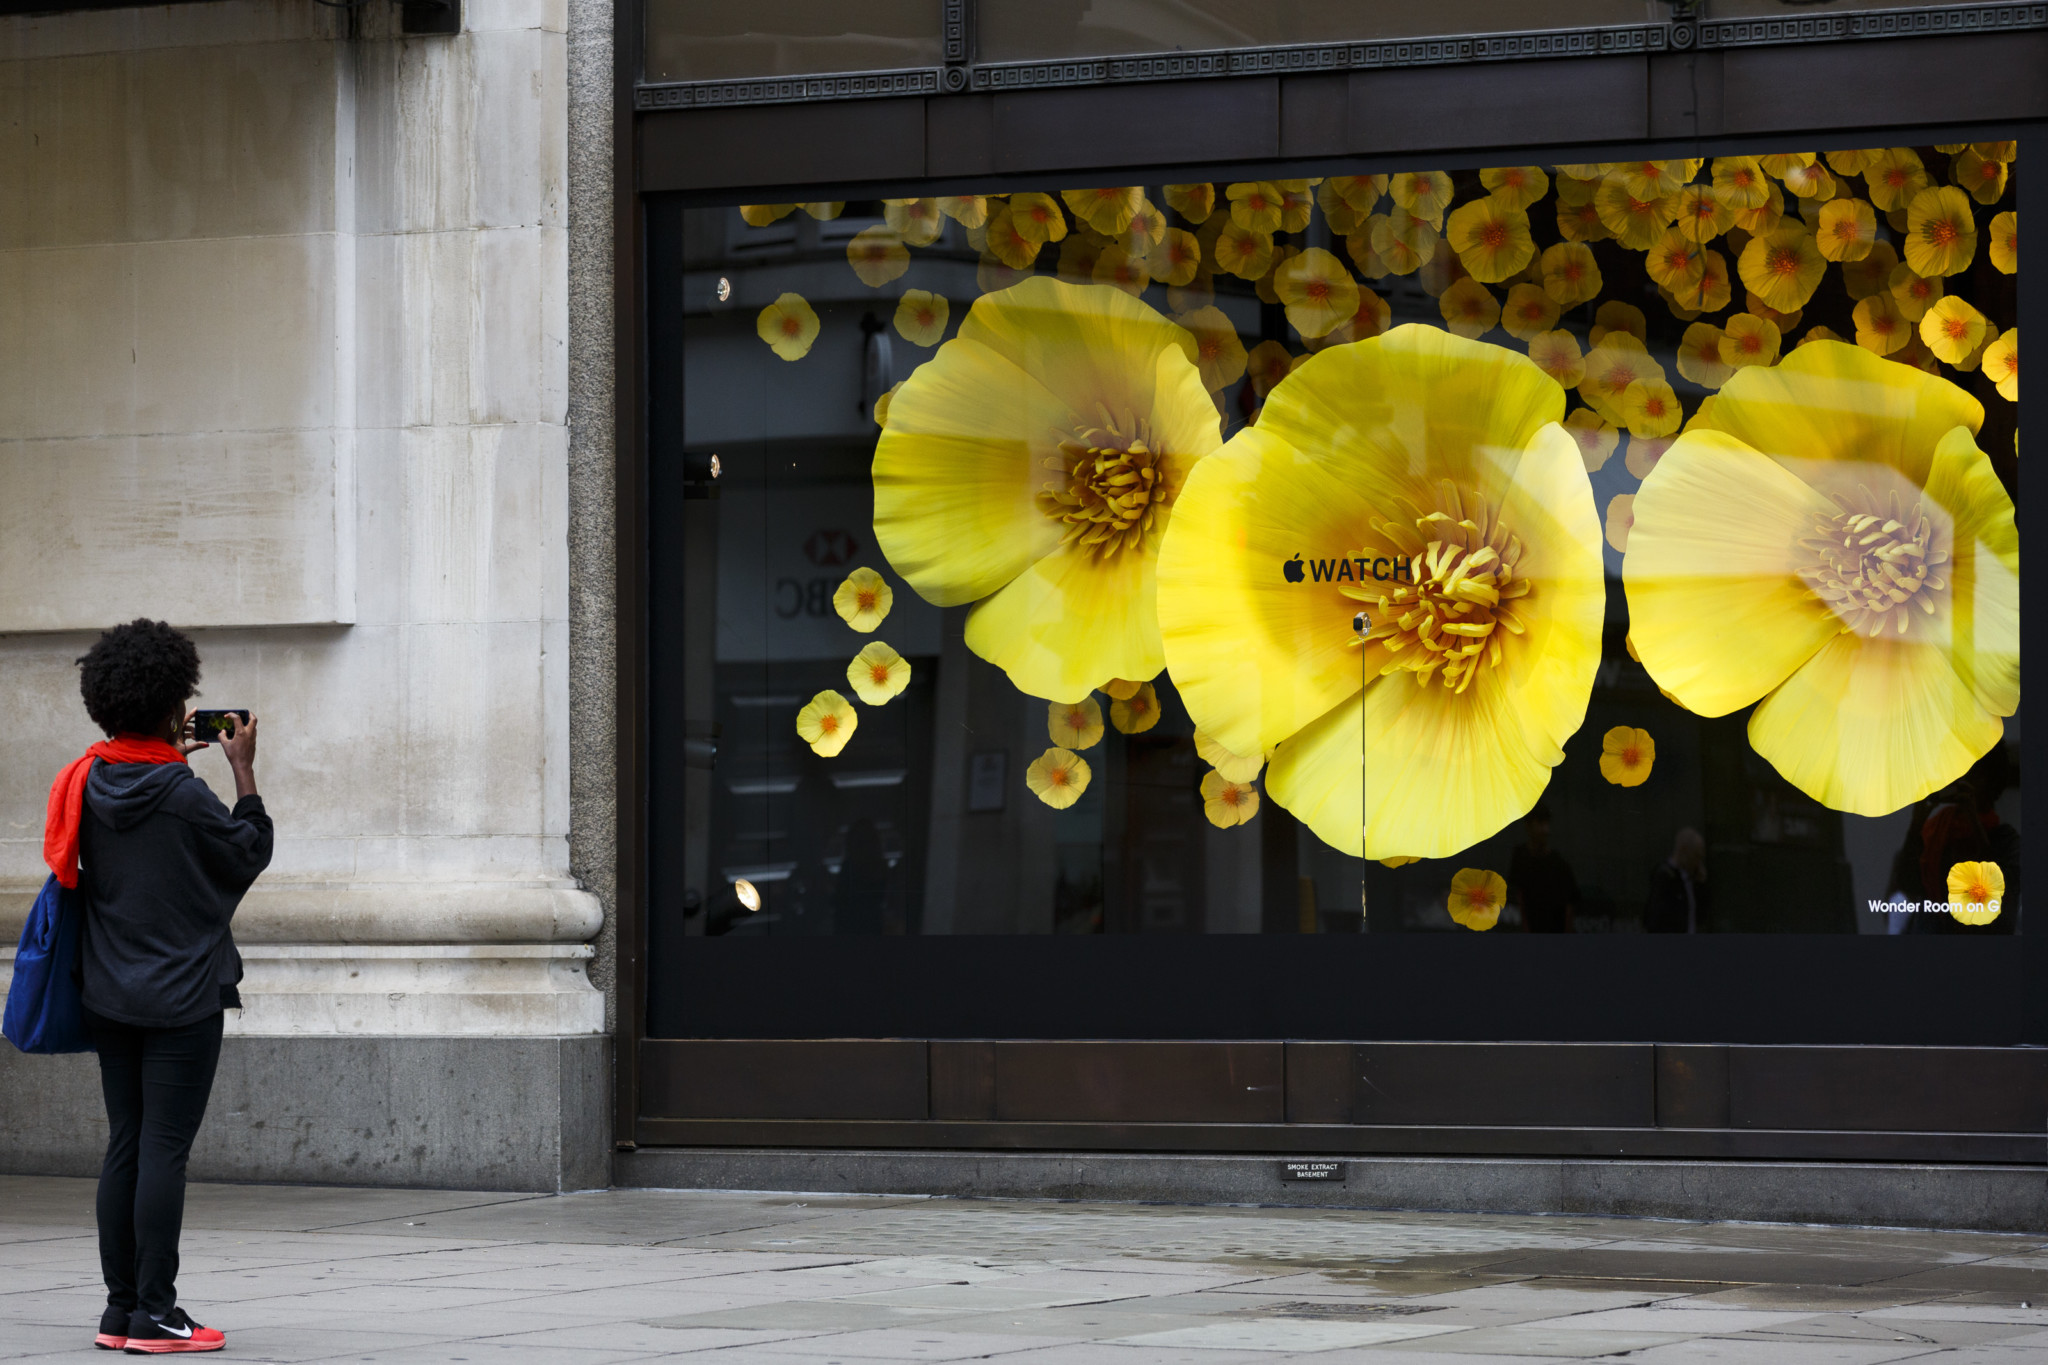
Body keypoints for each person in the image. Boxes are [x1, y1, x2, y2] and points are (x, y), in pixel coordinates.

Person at [44, 619, 271, 1354]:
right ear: (176, 705)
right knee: (164, 1150)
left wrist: (166, 752)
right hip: (180, 1000)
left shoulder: (87, 779)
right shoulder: (180, 790)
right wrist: (242, 770)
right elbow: (248, 850)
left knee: (127, 1144)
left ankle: (120, 1311)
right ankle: (158, 1312)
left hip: (108, 994)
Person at [1507, 805, 1579, 933]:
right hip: (1531, 936)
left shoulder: (1559, 863)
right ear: (1528, 827)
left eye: (1546, 823)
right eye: (1540, 823)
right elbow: (1518, 897)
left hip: (1555, 936)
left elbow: (1570, 903)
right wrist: (1525, 931)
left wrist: (1566, 937)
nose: (1545, 829)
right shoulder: (1520, 857)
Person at [1646, 828, 1709, 933]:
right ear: (1684, 851)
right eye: (1696, 856)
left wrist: (1701, 885)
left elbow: (1700, 915)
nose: (1698, 862)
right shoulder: (1665, 877)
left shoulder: (1692, 878)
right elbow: (1657, 919)